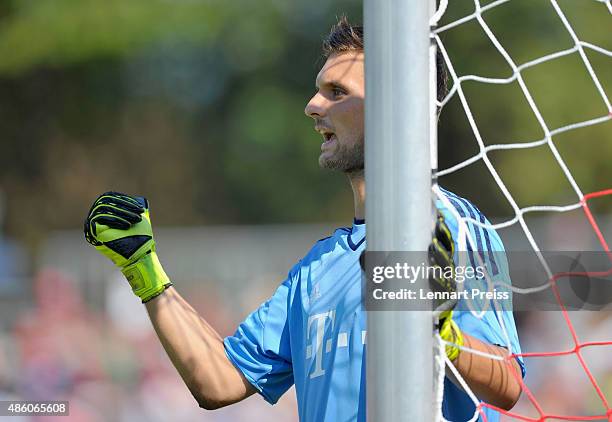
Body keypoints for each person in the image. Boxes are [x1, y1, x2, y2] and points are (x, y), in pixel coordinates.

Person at [83, 17, 524, 422]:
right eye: (318, 90)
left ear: (400, 107)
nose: (313, 106)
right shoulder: (318, 267)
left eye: (337, 92)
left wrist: (439, 328)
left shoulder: (451, 226)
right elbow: (218, 381)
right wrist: (143, 267)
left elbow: (508, 384)